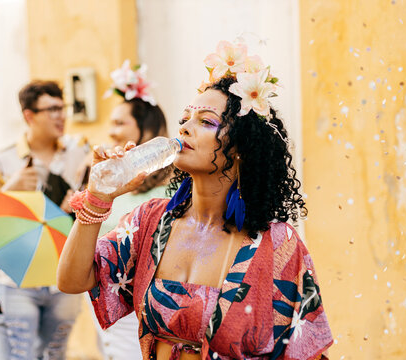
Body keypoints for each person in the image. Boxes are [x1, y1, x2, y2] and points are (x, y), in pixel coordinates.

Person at [57, 41, 333, 359]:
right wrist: (97, 198)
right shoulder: (150, 221)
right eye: (185, 119)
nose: (185, 128)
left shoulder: (277, 244)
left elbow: (305, 350)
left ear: (241, 147)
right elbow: (72, 280)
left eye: (205, 121)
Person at [0, 80, 88, 360]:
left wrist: (78, 201)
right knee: (19, 356)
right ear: (29, 115)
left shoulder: (80, 153)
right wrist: (10, 190)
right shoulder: (0, 161)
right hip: (17, 278)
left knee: (55, 355)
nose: (60, 115)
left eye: (62, 107)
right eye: (51, 108)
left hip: (63, 275)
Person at [87, 61, 172, 359]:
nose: (111, 132)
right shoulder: (109, 180)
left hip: (139, 304)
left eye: (120, 123)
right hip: (101, 298)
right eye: (112, 122)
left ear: (145, 130)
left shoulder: (170, 190)